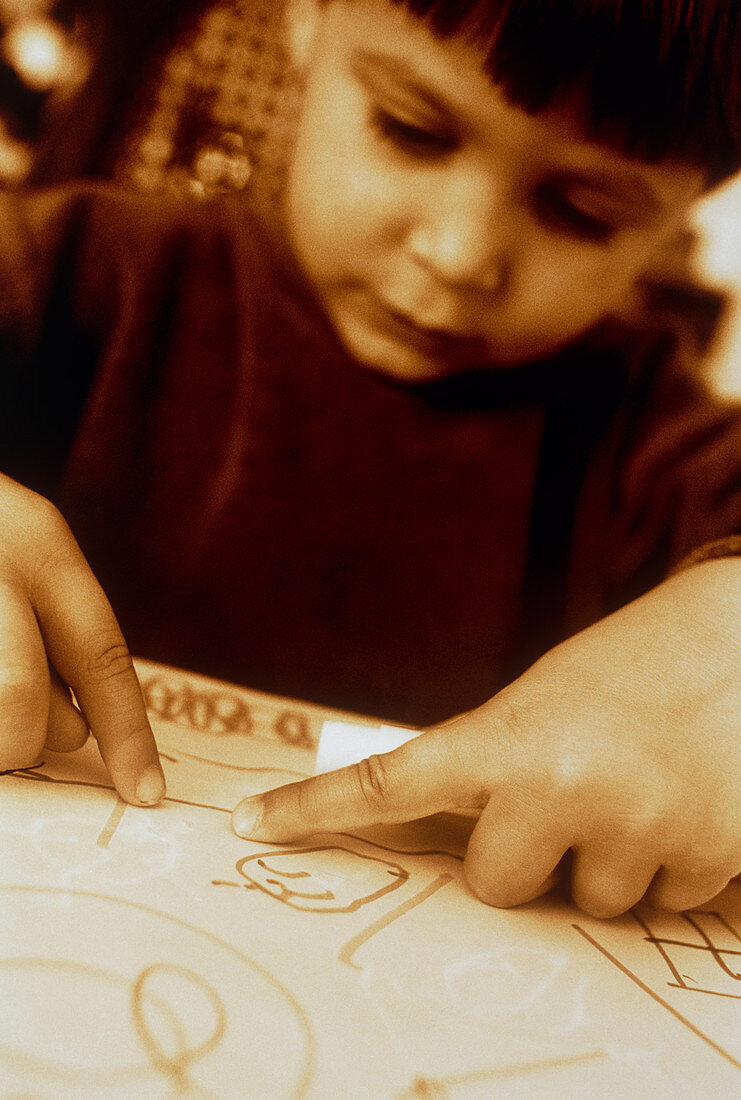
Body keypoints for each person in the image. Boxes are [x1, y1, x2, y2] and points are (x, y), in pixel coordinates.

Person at [0, 0, 739, 917]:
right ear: (306, 19)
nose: (459, 254)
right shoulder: (70, 273)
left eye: (581, 212)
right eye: (410, 130)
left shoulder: (643, 434)